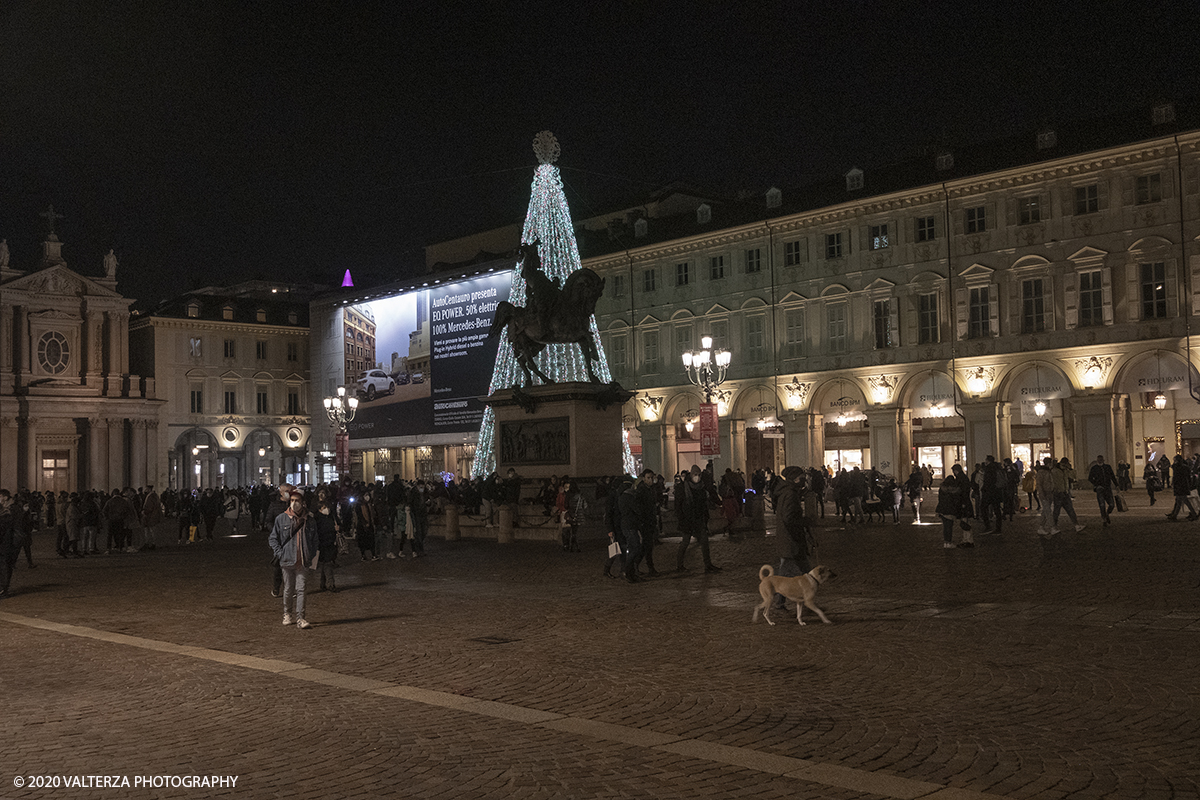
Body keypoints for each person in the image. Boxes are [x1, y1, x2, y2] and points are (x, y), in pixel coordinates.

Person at [269, 490, 318, 629]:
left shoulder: (310, 520)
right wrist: (280, 553)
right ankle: (287, 613)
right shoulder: (281, 519)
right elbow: (273, 538)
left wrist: (311, 555)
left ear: (303, 503)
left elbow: (315, 540)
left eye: (297, 501)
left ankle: (301, 618)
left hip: (303, 560)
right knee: (288, 589)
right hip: (287, 560)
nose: (294, 503)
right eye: (292, 500)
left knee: (301, 589)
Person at [769, 466, 814, 607]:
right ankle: (803, 600)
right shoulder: (790, 494)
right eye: (802, 478)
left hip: (790, 538)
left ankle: (784, 600)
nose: (804, 480)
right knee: (793, 570)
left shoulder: (788, 492)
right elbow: (789, 518)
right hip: (791, 538)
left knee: (798, 568)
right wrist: (804, 521)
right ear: (795, 479)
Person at [675, 465, 719, 573]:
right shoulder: (683, 487)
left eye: (699, 475)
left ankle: (708, 565)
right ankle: (679, 565)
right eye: (695, 475)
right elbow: (678, 505)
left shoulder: (702, 487)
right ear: (691, 475)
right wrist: (681, 518)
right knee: (685, 542)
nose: (697, 477)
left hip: (699, 519)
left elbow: (704, 503)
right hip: (687, 520)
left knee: (704, 542)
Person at [936, 464, 975, 548]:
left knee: (965, 522)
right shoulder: (962, 478)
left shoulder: (960, 479)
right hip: (962, 505)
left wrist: (962, 504)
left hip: (962, 505)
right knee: (965, 522)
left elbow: (963, 493)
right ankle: (966, 540)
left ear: (955, 471)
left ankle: (967, 540)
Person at [1050, 458, 1085, 533]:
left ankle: (1076, 525)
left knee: (1070, 509)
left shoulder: (1066, 470)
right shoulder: (1055, 470)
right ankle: (1054, 527)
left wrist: (1070, 469)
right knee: (1057, 511)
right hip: (1058, 493)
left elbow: (1073, 477)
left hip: (1065, 493)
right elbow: (1053, 482)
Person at [313, 492, 339, 593]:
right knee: (327, 564)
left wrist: (337, 528)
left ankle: (323, 584)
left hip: (331, 543)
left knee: (325, 564)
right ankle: (330, 584)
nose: (326, 509)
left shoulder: (331, 516)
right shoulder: (317, 519)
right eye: (323, 507)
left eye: (326, 507)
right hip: (322, 544)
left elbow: (338, 523)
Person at [1088, 455, 1118, 526]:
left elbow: (1112, 476)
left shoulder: (1107, 467)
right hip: (1100, 489)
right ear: (1097, 460)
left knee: (1112, 504)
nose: (1100, 460)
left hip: (1108, 488)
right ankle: (1104, 519)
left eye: (1101, 459)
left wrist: (1117, 485)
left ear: (1103, 460)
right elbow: (1090, 478)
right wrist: (1096, 484)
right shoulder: (1094, 468)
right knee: (1102, 505)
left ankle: (1107, 514)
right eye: (1099, 459)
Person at [1166, 455, 1198, 521]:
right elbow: (1188, 477)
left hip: (1180, 486)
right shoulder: (1185, 467)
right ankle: (1175, 515)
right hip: (1184, 486)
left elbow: (1176, 477)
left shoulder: (1177, 467)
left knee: (1183, 501)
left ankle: (1194, 514)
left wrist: (1173, 484)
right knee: (1179, 501)